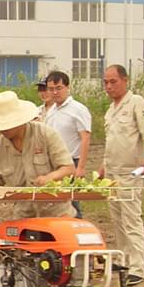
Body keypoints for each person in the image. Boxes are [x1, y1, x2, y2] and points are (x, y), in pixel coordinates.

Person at [100, 64, 144, 287]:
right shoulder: (111, 109)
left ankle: (138, 267)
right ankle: (124, 260)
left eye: (113, 81)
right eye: (106, 82)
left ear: (125, 80)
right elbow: (111, 142)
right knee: (117, 220)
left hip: (131, 172)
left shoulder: (136, 103)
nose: (109, 86)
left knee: (132, 218)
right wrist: (103, 168)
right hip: (113, 172)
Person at [0, 90, 75, 218]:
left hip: (57, 213)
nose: (3, 129)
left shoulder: (45, 134)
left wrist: (49, 178)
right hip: (23, 215)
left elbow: (68, 169)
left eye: (7, 124)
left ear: (19, 120)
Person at [42, 71, 92, 219]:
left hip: (72, 162)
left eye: (59, 88)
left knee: (72, 203)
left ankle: (78, 233)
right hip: (54, 164)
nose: (55, 92)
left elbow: (85, 138)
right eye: (51, 89)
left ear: (67, 87)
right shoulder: (51, 110)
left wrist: (81, 167)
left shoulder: (78, 109)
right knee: (55, 203)